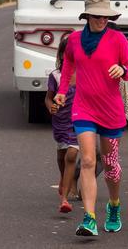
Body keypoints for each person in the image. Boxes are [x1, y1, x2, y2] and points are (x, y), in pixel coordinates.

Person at [54, 0, 128, 236]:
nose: (102, 20)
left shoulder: (118, 39)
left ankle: (113, 205)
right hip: (83, 108)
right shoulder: (75, 40)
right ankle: (89, 218)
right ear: (87, 15)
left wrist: (121, 69)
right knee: (88, 160)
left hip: (111, 110)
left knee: (110, 164)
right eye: (98, 16)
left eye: (106, 16)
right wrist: (61, 91)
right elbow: (68, 64)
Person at [45, 36, 79, 214]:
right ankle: (65, 178)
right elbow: (48, 97)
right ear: (61, 54)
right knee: (62, 156)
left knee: (72, 155)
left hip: (79, 121)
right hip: (60, 121)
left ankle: (64, 199)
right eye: (67, 53)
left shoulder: (84, 73)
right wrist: (51, 106)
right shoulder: (56, 76)